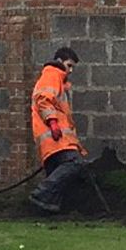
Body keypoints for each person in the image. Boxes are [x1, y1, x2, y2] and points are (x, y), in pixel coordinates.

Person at [29, 46, 87, 213]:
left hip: (54, 138)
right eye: (69, 66)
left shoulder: (56, 78)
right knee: (74, 163)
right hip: (56, 138)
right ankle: (41, 194)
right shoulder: (52, 74)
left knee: (58, 173)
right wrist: (52, 122)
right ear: (60, 62)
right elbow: (43, 100)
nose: (70, 71)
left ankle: (48, 208)